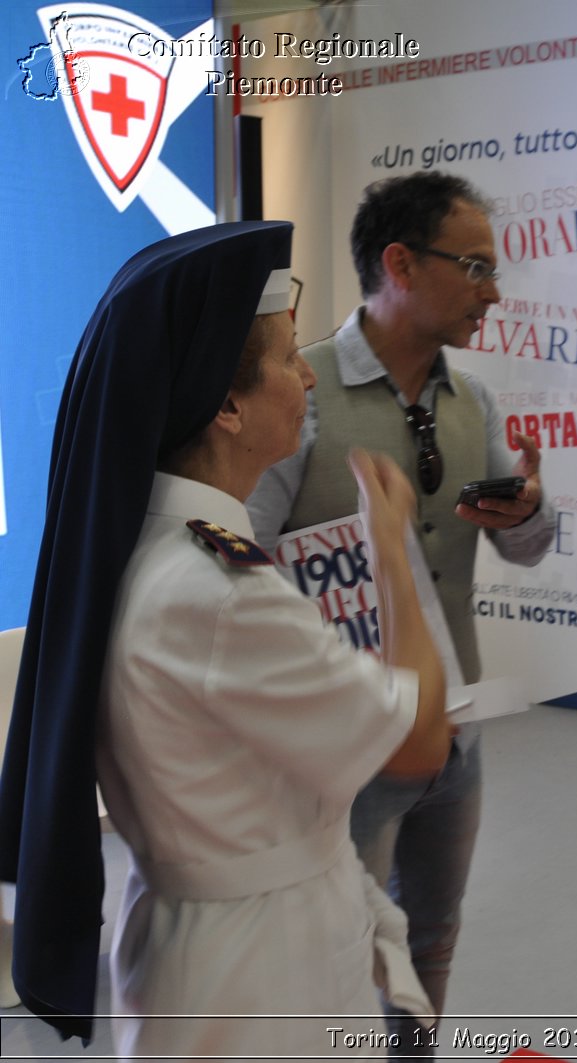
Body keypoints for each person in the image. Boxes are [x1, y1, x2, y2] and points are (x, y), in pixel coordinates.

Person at [0, 221, 450, 1054]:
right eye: (287, 359)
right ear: (228, 404)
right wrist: (393, 550)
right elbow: (421, 740)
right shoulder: (217, 591)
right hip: (262, 975)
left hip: (220, 946)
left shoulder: (155, 552)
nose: (308, 375)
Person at [247, 171, 554, 1057]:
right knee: (340, 953)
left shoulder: (476, 401)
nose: (494, 292)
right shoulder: (298, 388)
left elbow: (527, 548)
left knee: (432, 938)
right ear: (399, 264)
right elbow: (244, 558)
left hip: (454, 736)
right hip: (343, 746)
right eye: (475, 266)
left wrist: (529, 510)